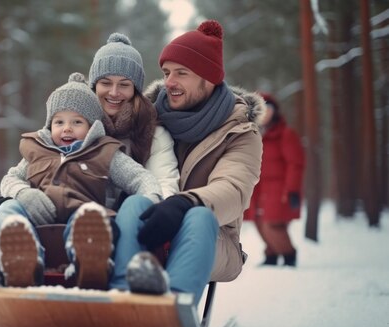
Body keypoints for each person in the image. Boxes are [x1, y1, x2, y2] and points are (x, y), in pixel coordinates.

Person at [109, 19, 265, 304]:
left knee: (199, 216)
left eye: (182, 73)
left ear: (209, 79)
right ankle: (120, 303)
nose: (169, 82)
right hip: (147, 223)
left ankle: (174, 311)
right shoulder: (147, 120)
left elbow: (233, 190)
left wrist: (184, 202)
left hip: (213, 237)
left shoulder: (239, 132)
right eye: (166, 72)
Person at [0, 72, 163, 290]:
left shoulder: (106, 152)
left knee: (89, 221)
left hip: (82, 216)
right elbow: (10, 179)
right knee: (8, 208)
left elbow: (140, 177)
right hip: (38, 220)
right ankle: (1, 262)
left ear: (92, 126)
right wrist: (24, 194)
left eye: (77, 121)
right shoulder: (37, 150)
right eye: (59, 121)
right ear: (49, 125)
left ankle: (88, 261)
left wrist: (152, 199)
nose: (67, 128)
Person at [88, 33, 180, 204]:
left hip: (134, 218)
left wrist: (157, 211)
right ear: (94, 86)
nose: (114, 92)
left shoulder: (152, 132)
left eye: (124, 85)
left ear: (135, 90)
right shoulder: (73, 123)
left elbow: (165, 184)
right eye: (106, 83)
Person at [244, 92, 305, 267]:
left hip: (279, 189)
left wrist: (292, 189)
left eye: (267, 108)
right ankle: (271, 254)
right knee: (259, 222)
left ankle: (288, 255)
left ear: (275, 111)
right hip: (258, 188)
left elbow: (296, 164)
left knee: (273, 224)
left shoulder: (286, 134)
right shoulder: (251, 134)